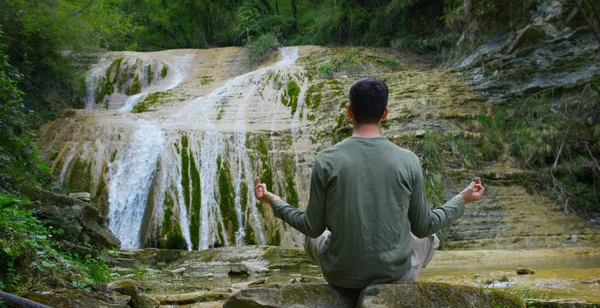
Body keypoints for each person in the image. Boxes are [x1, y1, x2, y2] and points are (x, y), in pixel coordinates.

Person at [254, 77, 485, 290]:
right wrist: (462, 198)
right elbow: (423, 227)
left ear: (349, 112)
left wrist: (273, 200)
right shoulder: (408, 160)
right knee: (430, 238)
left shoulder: (326, 159)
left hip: (341, 276)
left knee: (313, 237)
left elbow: (312, 227)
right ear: (385, 113)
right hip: (394, 274)